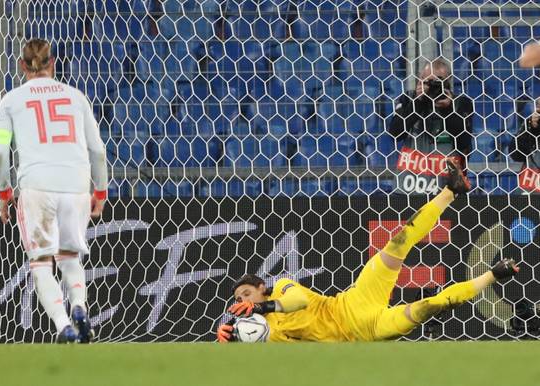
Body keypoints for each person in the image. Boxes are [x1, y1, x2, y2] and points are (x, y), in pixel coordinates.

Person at [217, 160, 519, 342]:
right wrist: (231, 338)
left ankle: (451, 190)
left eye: (246, 293)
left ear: (260, 288)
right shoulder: (268, 334)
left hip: (354, 300)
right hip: (367, 331)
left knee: (397, 242)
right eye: (239, 299)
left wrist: (263, 308)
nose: (242, 300)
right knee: (428, 306)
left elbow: (295, 301)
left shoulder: (281, 288)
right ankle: (494, 274)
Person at [0, 39, 108, 343]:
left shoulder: (11, 101)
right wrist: (101, 191)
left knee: (41, 263)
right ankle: (80, 307)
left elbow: (0, 153)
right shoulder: (76, 97)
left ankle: (63, 325)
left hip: (37, 188)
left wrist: (5, 194)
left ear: (21, 66)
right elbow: (98, 149)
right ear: (52, 63)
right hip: (76, 186)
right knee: (70, 258)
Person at [388, 58, 473, 195]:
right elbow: (395, 133)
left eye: (438, 82)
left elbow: (464, 141)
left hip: (446, 191)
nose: (433, 86)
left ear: (448, 81)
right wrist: (418, 102)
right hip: (407, 189)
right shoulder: (408, 99)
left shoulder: (461, 103)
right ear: (420, 80)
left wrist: (448, 110)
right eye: (428, 81)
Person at [509, 98, 540, 193]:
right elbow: (515, 154)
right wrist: (532, 128)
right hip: (532, 184)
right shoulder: (530, 124)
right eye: (538, 105)